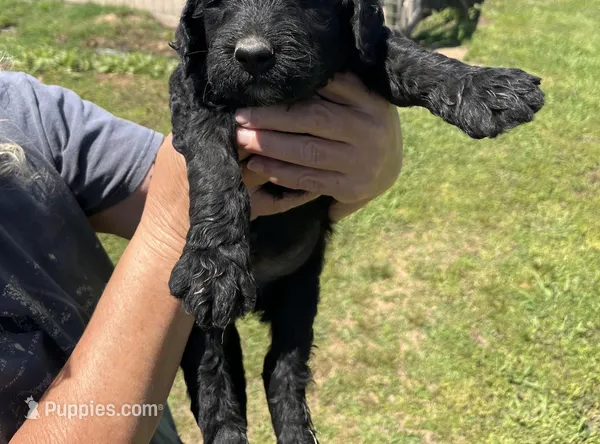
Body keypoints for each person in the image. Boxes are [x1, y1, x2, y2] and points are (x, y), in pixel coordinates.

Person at [0, 70, 402, 444]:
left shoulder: (17, 110)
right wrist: (176, 228)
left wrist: (345, 164)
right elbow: (181, 201)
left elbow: (206, 179)